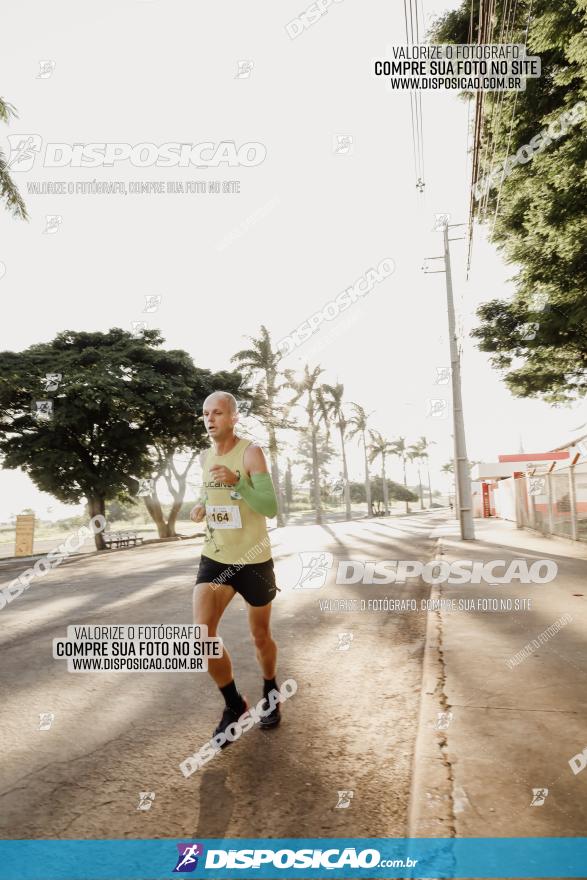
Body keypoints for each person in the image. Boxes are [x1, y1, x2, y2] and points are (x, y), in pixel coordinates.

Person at [191, 391, 281, 746]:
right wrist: (199, 506)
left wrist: (239, 483)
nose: (210, 419)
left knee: (260, 636)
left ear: (233, 417)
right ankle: (234, 705)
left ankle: (270, 690)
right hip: (215, 557)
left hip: (254, 561)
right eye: (205, 414)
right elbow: (209, 494)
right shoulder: (205, 456)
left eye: (217, 413)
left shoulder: (251, 452)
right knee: (201, 637)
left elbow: (269, 506)